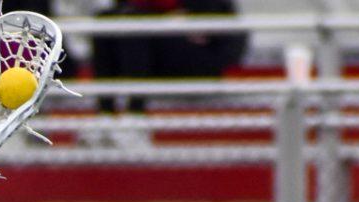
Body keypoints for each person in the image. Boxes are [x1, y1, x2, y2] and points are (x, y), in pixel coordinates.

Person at [88, 0, 247, 147]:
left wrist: (177, 20)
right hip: (153, 44)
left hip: (197, 50)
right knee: (106, 21)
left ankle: (135, 118)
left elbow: (208, 23)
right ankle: (105, 115)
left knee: (136, 24)